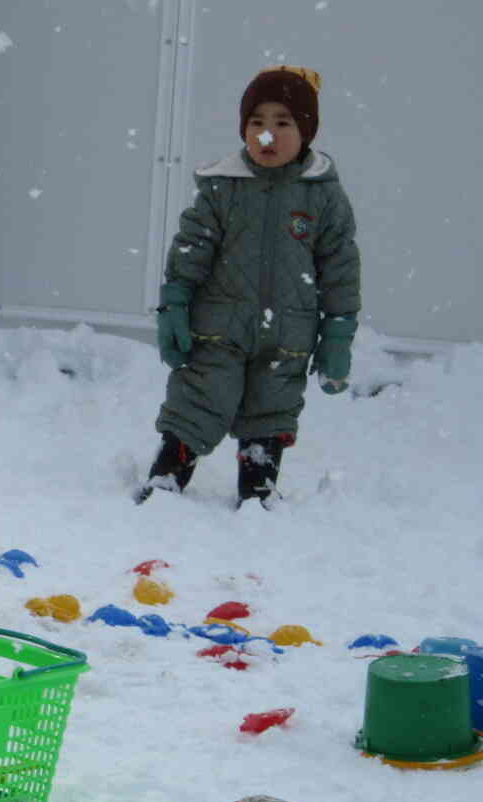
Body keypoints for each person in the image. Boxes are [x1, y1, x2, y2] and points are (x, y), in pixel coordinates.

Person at [138, 65, 361, 507]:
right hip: (218, 327)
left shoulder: (323, 196)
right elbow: (190, 251)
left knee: (272, 407)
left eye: (283, 124)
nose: (267, 135)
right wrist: (174, 306)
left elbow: (341, 269)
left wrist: (337, 336)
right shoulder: (222, 188)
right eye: (256, 123)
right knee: (199, 397)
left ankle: (258, 485)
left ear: (306, 132)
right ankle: (168, 475)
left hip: (289, 334)